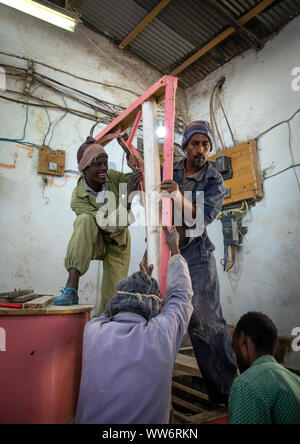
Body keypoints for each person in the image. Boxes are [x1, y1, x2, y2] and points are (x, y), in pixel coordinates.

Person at [76, 226, 193, 424]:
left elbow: (110, 310)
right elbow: (181, 297)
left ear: (116, 300)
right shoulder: (160, 334)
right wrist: (175, 249)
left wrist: (142, 283)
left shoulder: (93, 331)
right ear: (154, 307)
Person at [160, 121, 238, 406]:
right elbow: (147, 187)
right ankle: (155, 394)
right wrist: (138, 168)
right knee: (158, 318)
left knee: (206, 324)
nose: (201, 149)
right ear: (185, 146)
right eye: (195, 143)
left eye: (205, 145)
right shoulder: (170, 169)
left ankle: (226, 397)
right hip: (166, 251)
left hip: (197, 255)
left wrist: (178, 195)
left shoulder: (214, 179)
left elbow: (201, 218)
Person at [54, 136, 142, 315]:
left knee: (112, 304)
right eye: (98, 164)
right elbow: (106, 224)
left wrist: (133, 158)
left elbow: (139, 179)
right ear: (84, 168)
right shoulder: (78, 198)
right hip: (95, 241)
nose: (104, 168)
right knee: (84, 220)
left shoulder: (112, 178)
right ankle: (71, 288)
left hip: (118, 245)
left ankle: (106, 333)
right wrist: (128, 200)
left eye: (105, 162)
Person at [229, 311, 300, 424]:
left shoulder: (246, 384)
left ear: (242, 339)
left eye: (233, 345)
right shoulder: (296, 380)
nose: (234, 353)